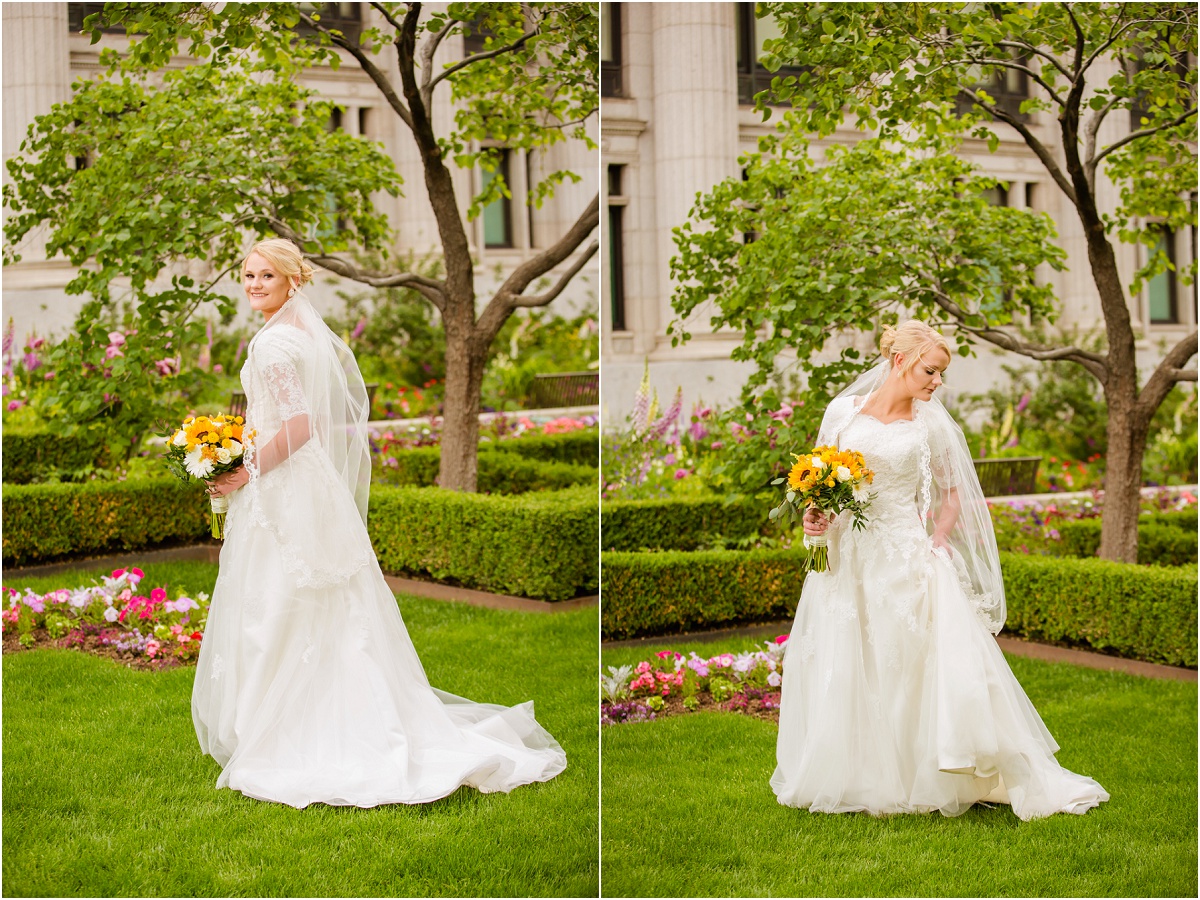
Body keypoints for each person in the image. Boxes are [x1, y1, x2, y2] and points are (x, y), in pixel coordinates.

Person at [192, 238, 566, 808]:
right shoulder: (300, 335)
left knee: (276, 599)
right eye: (247, 275)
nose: (253, 285)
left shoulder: (274, 345)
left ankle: (288, 729)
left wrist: (243, 470)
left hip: (284, 483)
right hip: (304, 483)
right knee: (311, 600)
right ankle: (314, 712)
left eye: (266, 276)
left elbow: (296, 426)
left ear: (293, 280)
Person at [770, 320, 1108, 821]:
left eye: (940, 374)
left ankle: (922, 771)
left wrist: (939, 539)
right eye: (931, 371)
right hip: (846, 557)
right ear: (899, 360)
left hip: (905, 553)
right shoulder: (842, 413)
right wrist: (816, 513)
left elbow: (953, 494)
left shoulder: (930, 423)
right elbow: (823, 482)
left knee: (907, 662)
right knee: (849, 655)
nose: (936, 383)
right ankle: (858, 773)